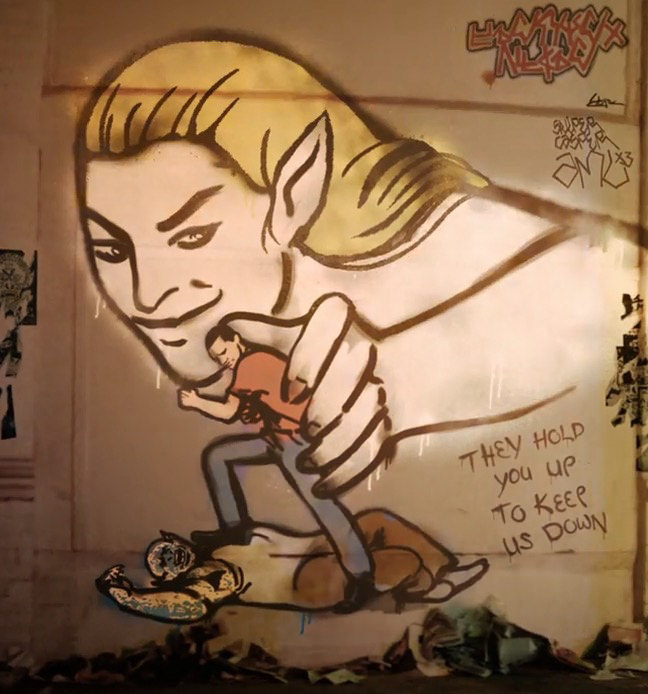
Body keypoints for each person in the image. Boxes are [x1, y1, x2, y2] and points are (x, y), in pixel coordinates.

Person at [76, 36, 598, 499]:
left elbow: (607, 310)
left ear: (294, 192)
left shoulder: (483, 250)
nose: (145, 297)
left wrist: (409, 387)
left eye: (192, 238)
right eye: (110, 251)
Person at [178, 325, 375, 611]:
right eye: (217, 358)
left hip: (293, 443)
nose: (224, 361)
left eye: (224, 352)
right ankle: (235, 530)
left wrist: (196, 402)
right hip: (275, 439)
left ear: (236, 340)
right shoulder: (259, 360)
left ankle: (362, 577)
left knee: (324, 507)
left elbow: (229, 411)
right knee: (218, 456)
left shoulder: (251, 364)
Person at [95, 509, 489, 623]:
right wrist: (129, 598)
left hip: (315, 549)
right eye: (163, 563)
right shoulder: (209, 577)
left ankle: (443, 570)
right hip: (308, 580)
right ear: (170, 577)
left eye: (167, 548)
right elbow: (191, 606)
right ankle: (425, 582)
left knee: (375, 521)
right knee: (397, 561)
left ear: (177, 540)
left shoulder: (222, 545)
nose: (170, 556)